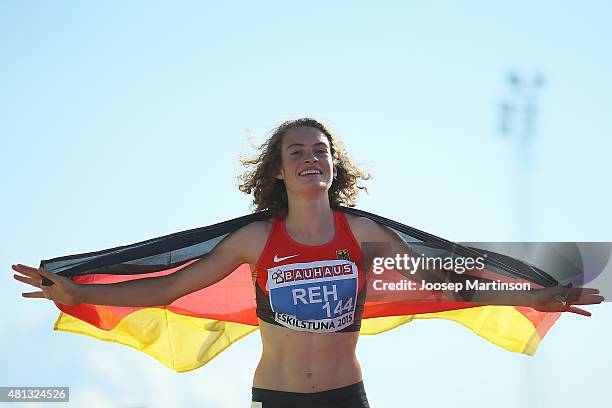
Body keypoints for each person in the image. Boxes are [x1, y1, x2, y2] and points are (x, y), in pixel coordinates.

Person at [12, 117, 604, 408]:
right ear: (278, 170)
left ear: (334, 166)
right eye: (295, 152)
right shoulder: (254, 240)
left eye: (319, 151)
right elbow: (170, 288)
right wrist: (76, 294)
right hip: (277, 399)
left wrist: (537, 296)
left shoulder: (363, 232)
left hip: (346, 399)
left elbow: (450, 285)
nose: (309, 159)